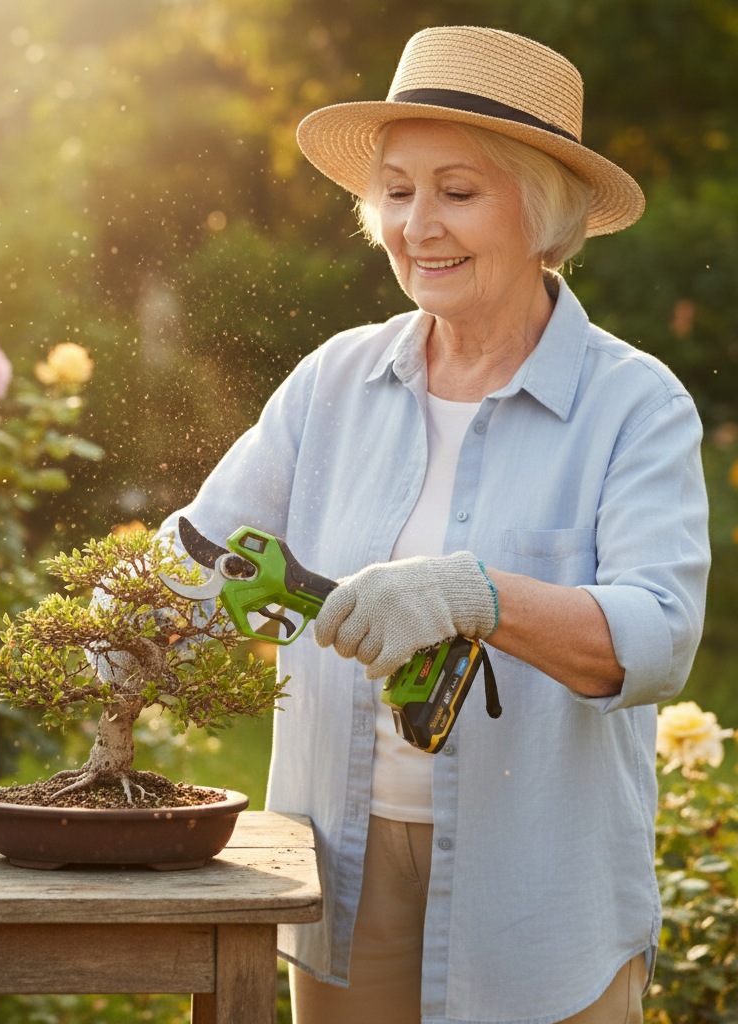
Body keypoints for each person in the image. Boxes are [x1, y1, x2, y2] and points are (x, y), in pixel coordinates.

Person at [158, 25, 709, 1024]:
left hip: (539, 891)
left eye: (457, 192)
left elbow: (659, 637)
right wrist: (97, 630)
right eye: (397, 191)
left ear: (541, 214)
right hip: (343, 872)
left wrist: (476, 595)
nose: (418, 225)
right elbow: (197, 556)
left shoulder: (632, 405)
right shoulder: (333, 381)